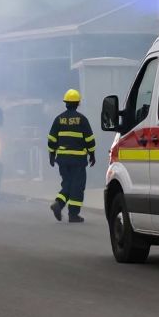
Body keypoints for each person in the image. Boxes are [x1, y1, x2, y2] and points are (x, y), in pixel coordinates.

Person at [48, 89, 96, 223]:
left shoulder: (59, 119)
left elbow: (52, 139)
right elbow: (89, 140)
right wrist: (92, 154)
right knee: (77, 186)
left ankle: (59, 204)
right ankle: (73, 215)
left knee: (67, 184)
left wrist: (52, 155)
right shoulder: (82, 120)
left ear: (66, 103)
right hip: (78, 160)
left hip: (62, 159)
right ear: (78, 103)